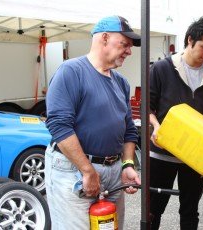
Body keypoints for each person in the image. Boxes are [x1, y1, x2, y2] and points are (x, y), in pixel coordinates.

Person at [44, 15, 141, 230]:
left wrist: (127, 164)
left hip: (114, 170)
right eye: (124, 44)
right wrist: (88, 171)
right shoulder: (71, 72)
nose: (129, 51)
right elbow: (59, 125)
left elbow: (129, 130)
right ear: (104, 38)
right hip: (73, 170)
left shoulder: (121, 82)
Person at [149, 16, 203, 230]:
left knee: (190, 210)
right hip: (162, 153)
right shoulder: (161, 69)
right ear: (190, 40)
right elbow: (147, 106)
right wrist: (156, 127)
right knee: (153, 209)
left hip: (197, 158)